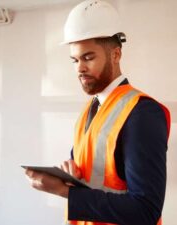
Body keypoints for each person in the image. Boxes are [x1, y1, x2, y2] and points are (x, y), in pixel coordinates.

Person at [24, 0, 171, 225]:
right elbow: (95, 173)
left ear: (115, 55)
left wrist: (65, 192)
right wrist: (72, 174)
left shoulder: (142, 112)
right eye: (75, 60)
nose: (80, 68)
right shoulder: (90, 110)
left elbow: (146, 210)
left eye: (88, 57)